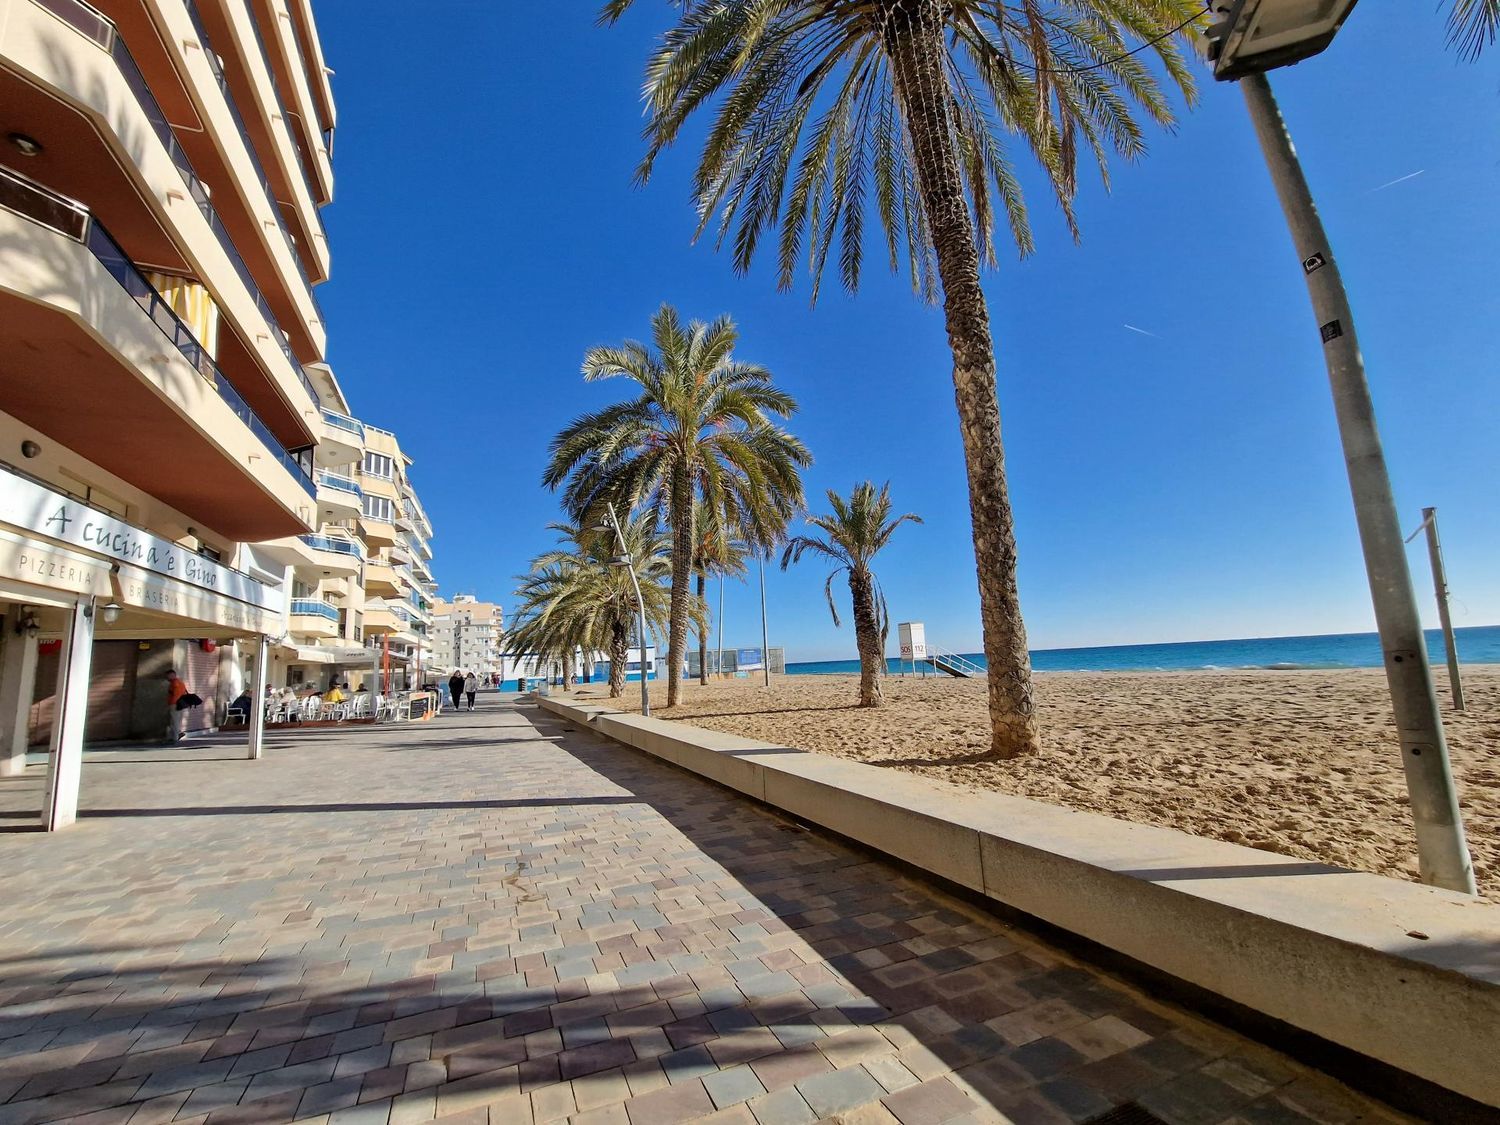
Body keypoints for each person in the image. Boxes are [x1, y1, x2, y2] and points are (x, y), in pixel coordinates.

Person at [165, 670, 189, 742]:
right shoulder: (181, 682)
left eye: (168, 675)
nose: (167, 677)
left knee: (174, 721)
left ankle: (175, 737)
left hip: (174, 704)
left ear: (172, 675)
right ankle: (176, 734)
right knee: (175, 720)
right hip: (180, 704)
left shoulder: (174, 683)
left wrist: (171, 702)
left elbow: (175, 694)